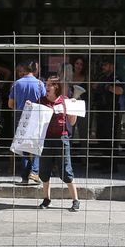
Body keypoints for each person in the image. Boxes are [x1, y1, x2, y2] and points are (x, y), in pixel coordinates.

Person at [37, 73, 82, 212]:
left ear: (56, 86)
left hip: (62, 139)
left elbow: (72, 122)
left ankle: (76, 200)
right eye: (46, 84)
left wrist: (73, 110)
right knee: (44, 170)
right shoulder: (41, 101)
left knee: (66, 170)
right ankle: (46, 199)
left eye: (50, 84)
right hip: (46, 139)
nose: (47, 87)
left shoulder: (65, 101)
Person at [9, 59, 46, 185]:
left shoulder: (16, 84)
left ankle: (25, 177)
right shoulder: (40, 84)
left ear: (24, 70)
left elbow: (10, 104)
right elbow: (44, 102)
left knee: (23, 146)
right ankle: (35, 173)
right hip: (36, 114)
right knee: (36, 144)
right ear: (35, 70)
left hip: (20, 115)